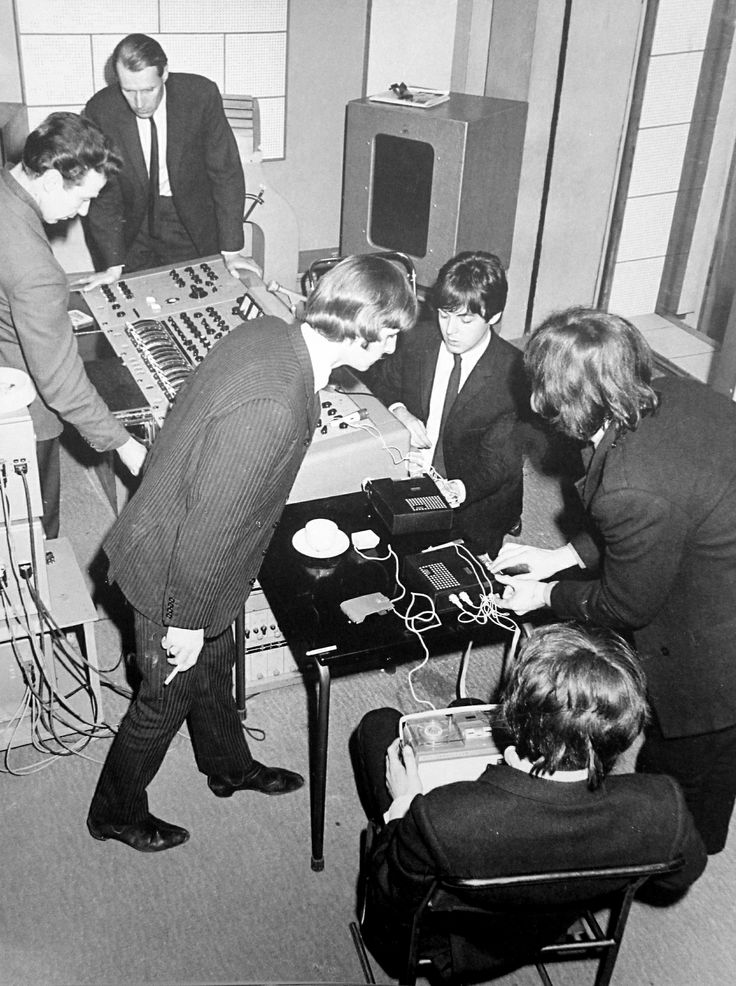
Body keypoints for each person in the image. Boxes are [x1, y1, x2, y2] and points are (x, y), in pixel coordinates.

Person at [87, 254, 418, 853]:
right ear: (361, 327)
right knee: (163, 699)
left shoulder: (272, 332)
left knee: (216, 668)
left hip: (204, 560)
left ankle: (227, 766)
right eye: (390, 333)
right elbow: (209, 523)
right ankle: (113, 811)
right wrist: (187, 621)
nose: (393, 348)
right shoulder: (275, 404)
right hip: (172, 569)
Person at [491, 307, 736, 856]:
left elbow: (626, 605)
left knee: (678, 769)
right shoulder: (669, 392)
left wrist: (545, 594)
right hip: (718, 558)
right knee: (720, 757)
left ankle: (675, 859)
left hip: (721, 649)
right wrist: (560, 557)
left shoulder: (630, 485)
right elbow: (656, 515)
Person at [353, 622, 706, 981]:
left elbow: (391, 899)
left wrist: (403, 806)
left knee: (379, 726)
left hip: (458, 944)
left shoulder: (436, 815)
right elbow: (678, 878)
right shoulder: (663, 805)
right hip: (553, 923)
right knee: (467, 708)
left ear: (514, 714)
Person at [0, 112, 146, 537]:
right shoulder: (35, 270)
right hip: (20, 408)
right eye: (82, 198)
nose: (83, 212)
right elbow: (61, 384)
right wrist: (124, 444)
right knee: (33, 528)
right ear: (49, 181)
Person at [364, 251, 528, 559]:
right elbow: (380, 380)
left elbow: (500, 463)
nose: (450, 330)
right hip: (412, 470)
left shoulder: (516, 376)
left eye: (465, 320)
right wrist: (400, 411)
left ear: (493, 316)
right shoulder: (417, 338)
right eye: (444, 315)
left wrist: (459, 489)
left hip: (475, 494)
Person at [80, 33, 256, 288]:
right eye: (128, 90)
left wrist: (232, 250)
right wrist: (113, 263)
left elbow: (225, 172)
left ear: (164, 74)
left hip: (186, 218)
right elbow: (105, 191)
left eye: (148, 90)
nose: (139, 103)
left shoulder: (200, 96)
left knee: (195, 291)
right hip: (132, 223)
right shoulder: (101, 109)